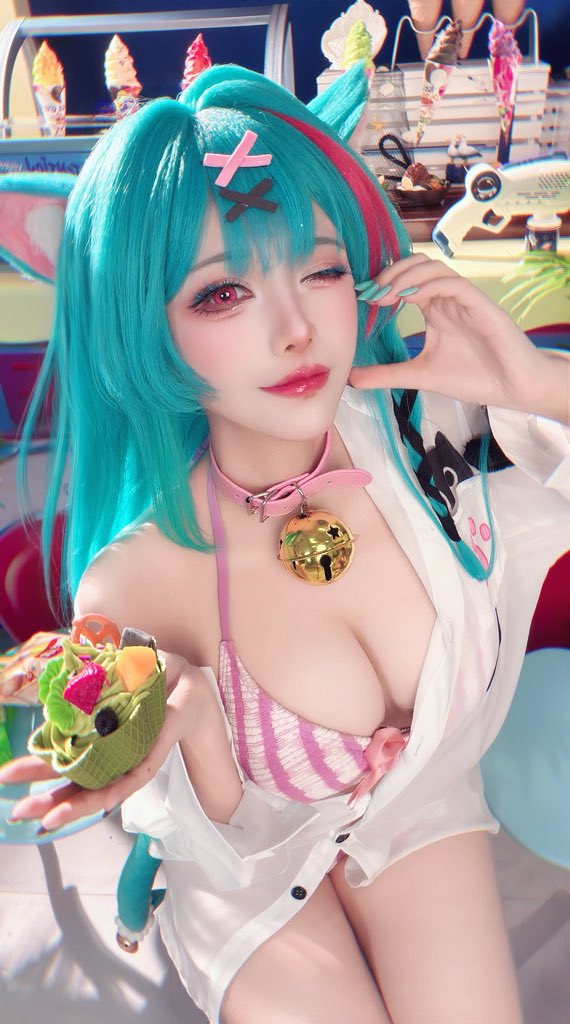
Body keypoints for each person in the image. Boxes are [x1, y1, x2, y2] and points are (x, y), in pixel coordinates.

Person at [0, 62, 568, 1024]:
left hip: (417, 806)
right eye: (223, 294)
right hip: (248, 877)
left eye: (321, 268)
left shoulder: (429, 434)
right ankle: (149, 884)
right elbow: (230, 842)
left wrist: (536, 384)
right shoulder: (136, 580)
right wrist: (195, 723)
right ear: (145, 328)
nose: (299, 329)